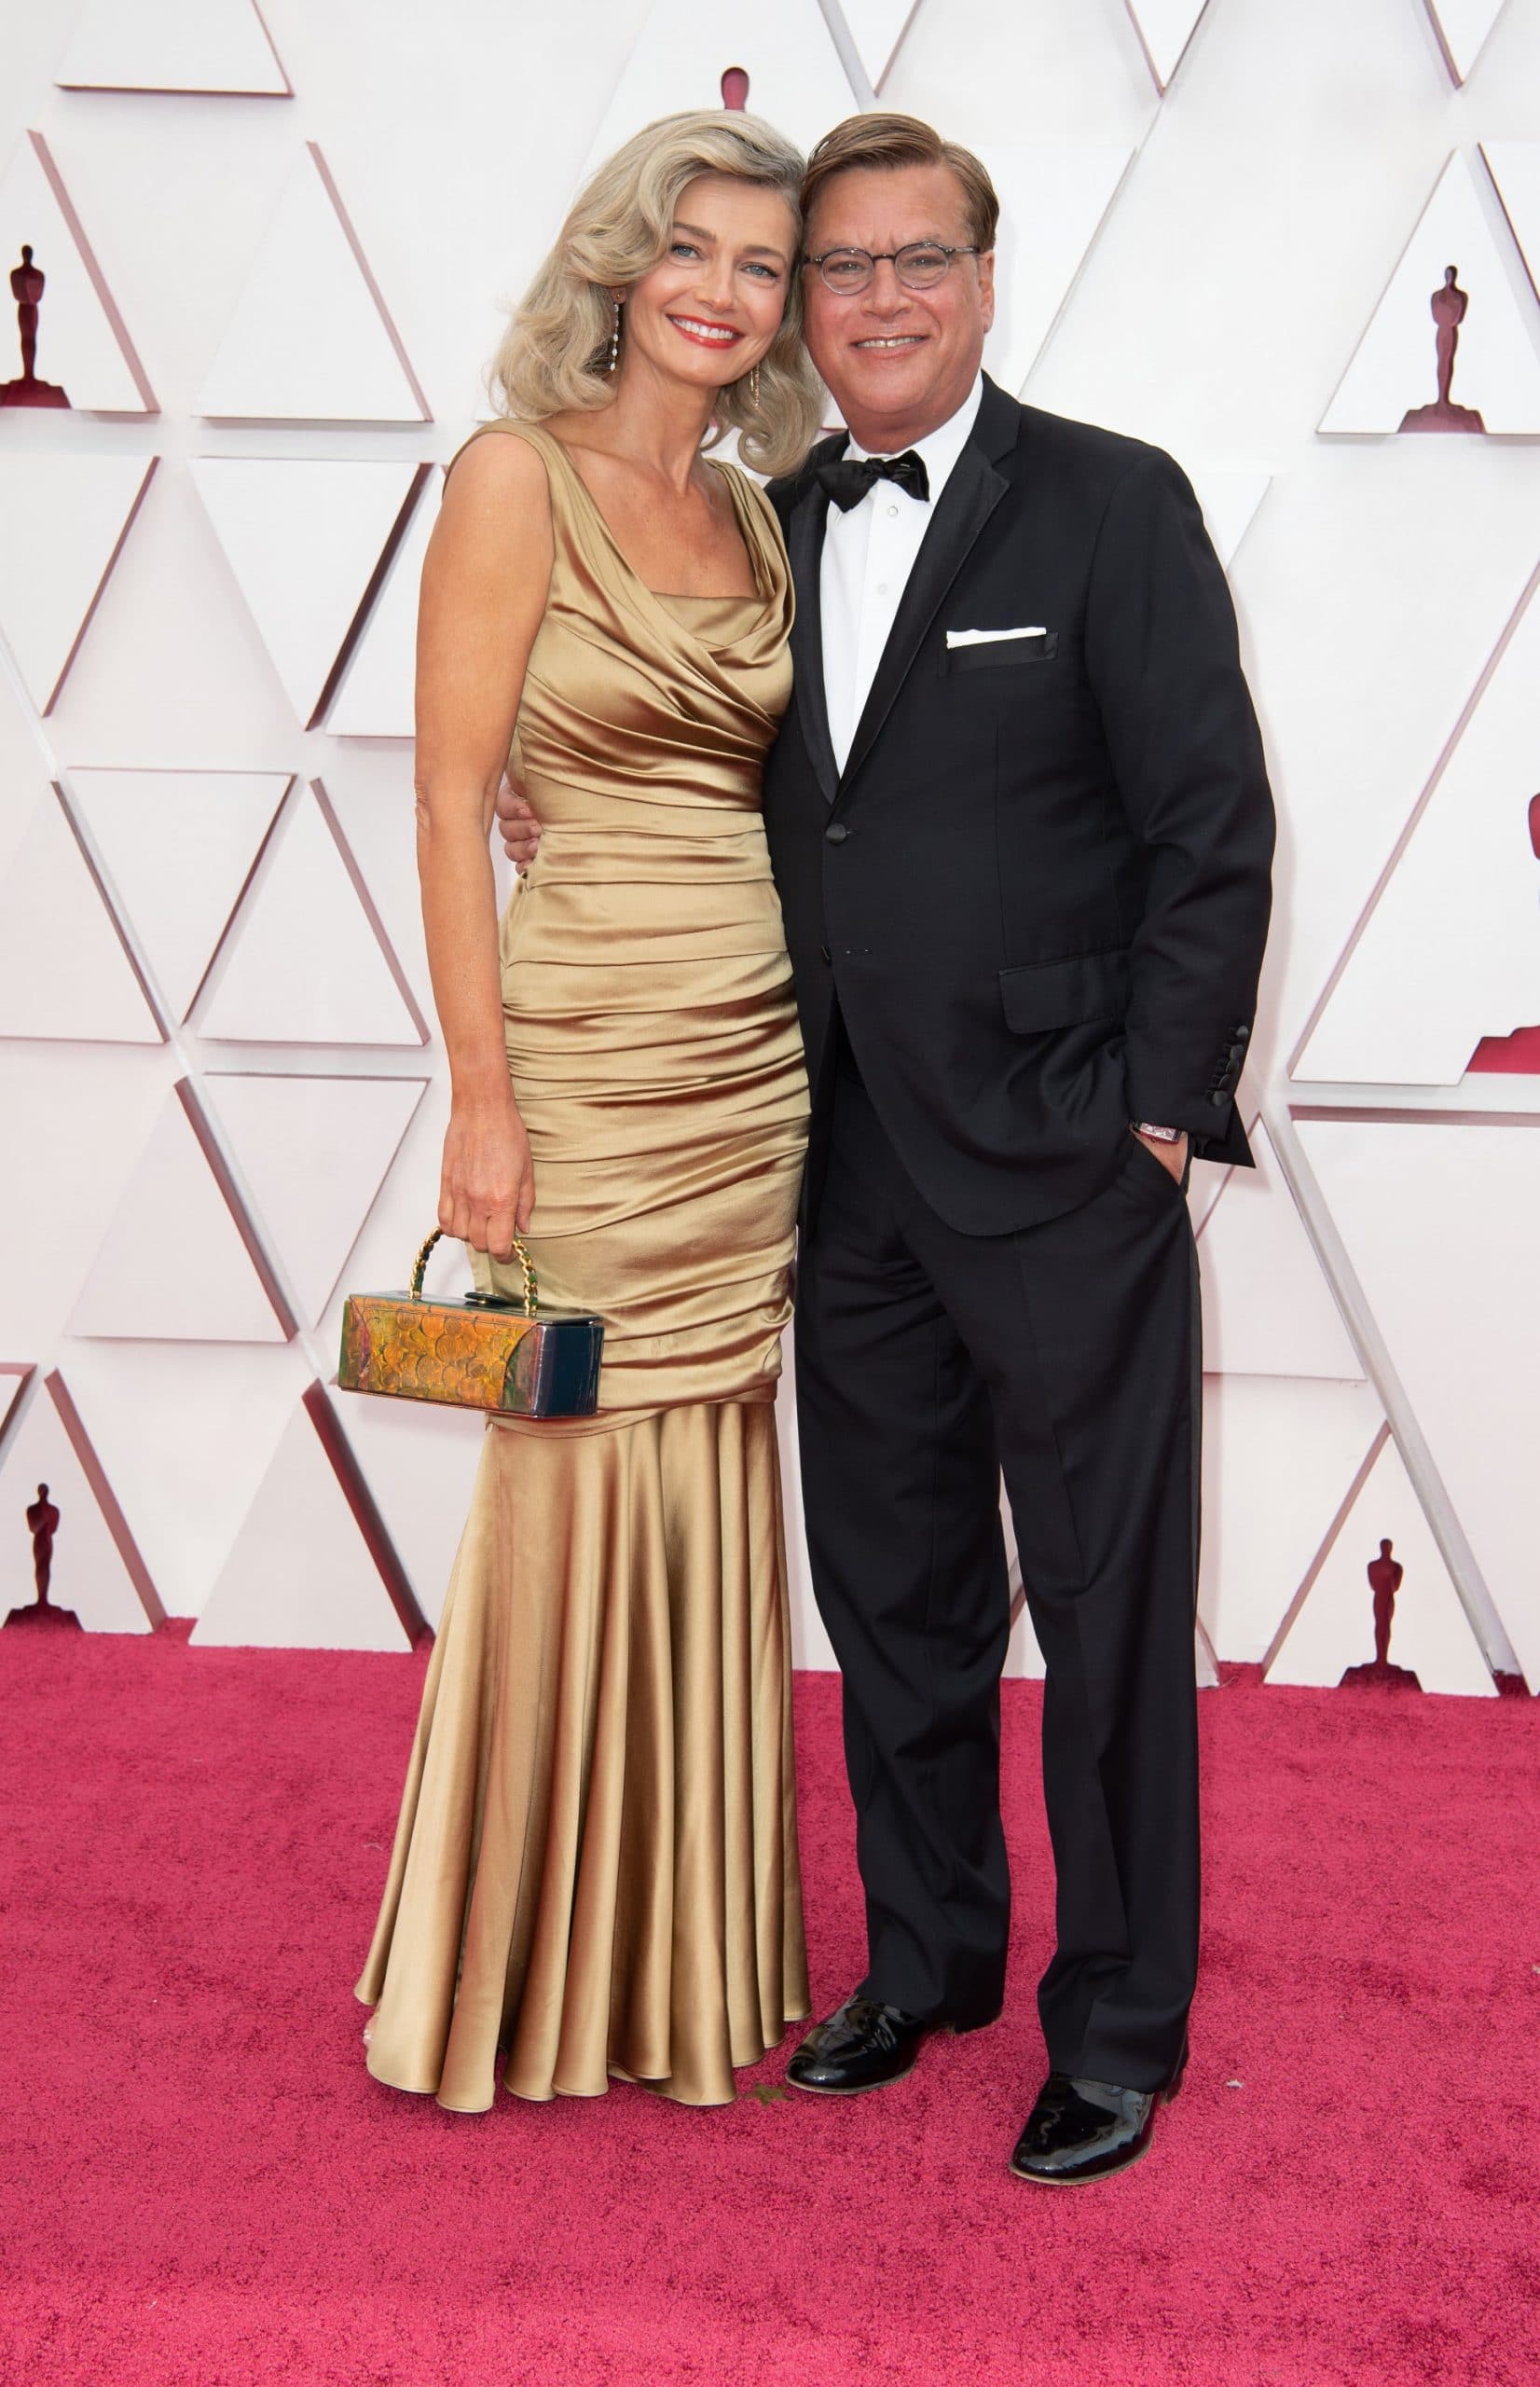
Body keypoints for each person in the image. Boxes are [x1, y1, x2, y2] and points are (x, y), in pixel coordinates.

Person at [502, 112, 1275, 2182]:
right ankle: (925, 1955)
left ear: (985, 274)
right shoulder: (759, 519)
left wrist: (1153, 1120)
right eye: (835, 267)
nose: (878, 298)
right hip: (833, 1154)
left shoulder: (1113, 506)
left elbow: (1210, 828)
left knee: (1106, 1609)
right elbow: (694, 747)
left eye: (918, 257)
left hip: (1058, 1162)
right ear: (798, 310)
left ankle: (1114, 2021)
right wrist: (549, 807)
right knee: (899, 1598)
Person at [356, 109, 825, 2112]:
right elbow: (452, 803)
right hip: (583, 1049)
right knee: (566, 1452)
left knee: (712, 1445)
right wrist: (480, 1093)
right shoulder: (507, 477)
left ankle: (679, 1952)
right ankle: (520, 1963)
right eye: (694, 251)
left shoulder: (766, 511)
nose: (725, 294)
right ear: (624, 262)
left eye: (765, 267)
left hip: (753, 1058)